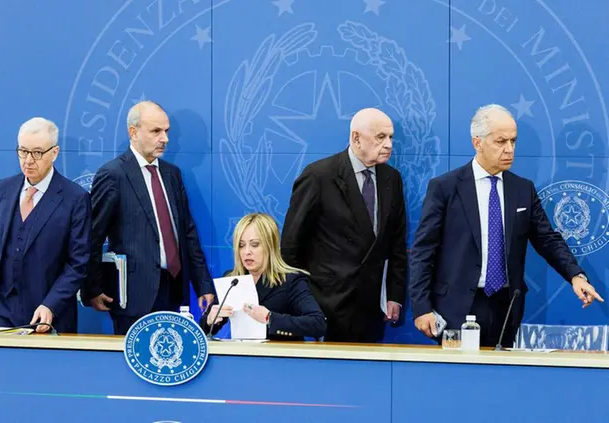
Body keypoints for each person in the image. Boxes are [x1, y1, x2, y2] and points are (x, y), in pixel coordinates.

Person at [409, 104, 604, 347]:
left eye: (513, 141)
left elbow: (547, 239)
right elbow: (423, 250)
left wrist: (576, 276)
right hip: (456, 308)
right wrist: (421, 307)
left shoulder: (522, 189)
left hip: (505, 307)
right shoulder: (445, 188)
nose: (509, 149)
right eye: (500, 141)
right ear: (477, 143)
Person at [83, 100, 215, 335]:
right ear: (133, 132)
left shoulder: (172, 175)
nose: (164, 138)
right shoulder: (113, 174)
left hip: (174, 291)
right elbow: (93, 236)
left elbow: (187, 233)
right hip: (133, 297)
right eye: (156, 131)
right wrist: (92, 288)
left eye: (166, 131)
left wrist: (203, 284)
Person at [280, 108, 407, 343]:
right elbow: (290, 246)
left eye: (391, 137)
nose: (389, 144)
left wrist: (394, 295)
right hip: (325, 307)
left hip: (371, 309)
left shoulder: (392, 179)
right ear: (356, 138)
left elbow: (396, 244)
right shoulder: (319, 176)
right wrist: (304, 300)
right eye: (381, 137)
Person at [0, 118, 91, 333]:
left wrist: (51, 304)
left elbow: (78, 263)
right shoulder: (4, 189)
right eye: (23, 151)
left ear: (55, 153)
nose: (28, 160)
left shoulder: (75, 198)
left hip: (47, 312)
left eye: (37, 152)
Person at [201, 213, 326, 341]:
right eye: (241, 245)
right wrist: (211, 319)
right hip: (240, 357)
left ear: (270, 246)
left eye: (254, 245)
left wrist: (270, 318)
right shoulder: (233, 280)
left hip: (280, 358)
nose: (246, 252)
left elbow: (318, 324)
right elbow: (202, 330)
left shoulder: (290, 280)